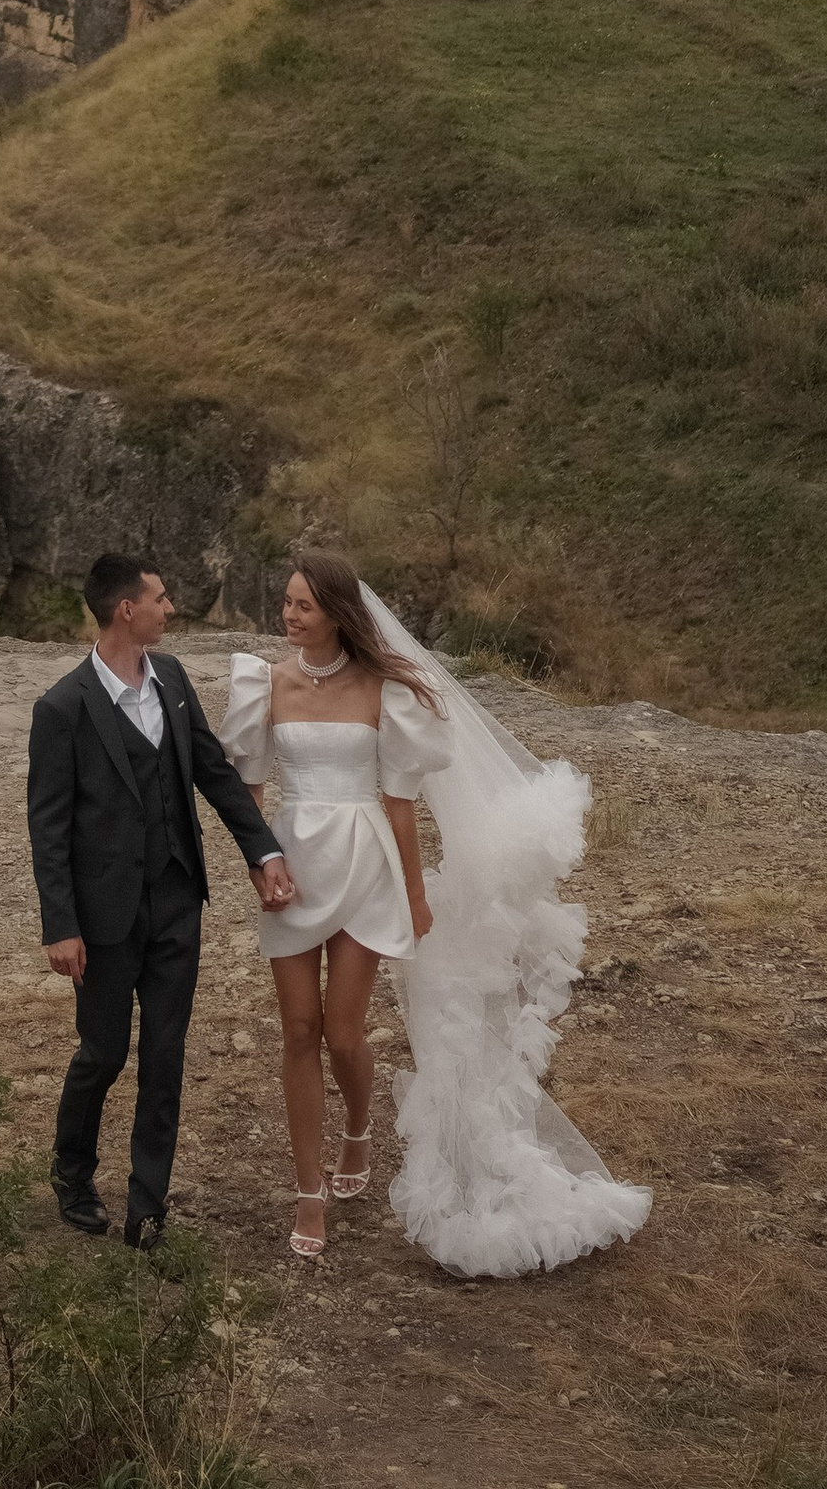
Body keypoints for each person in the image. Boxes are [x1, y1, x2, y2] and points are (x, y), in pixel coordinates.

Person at [222, 546, 651, 1277]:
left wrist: (416, 896)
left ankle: (358, 1129)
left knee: (345, 1030)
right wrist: (262, 864)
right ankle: (308, 1192)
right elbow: (250, 791)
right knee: (298, 1029)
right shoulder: (265, 685)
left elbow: (399, 805)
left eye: (302, 605)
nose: (287, 616)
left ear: (336, 613)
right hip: (292, 865)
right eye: (286, 603)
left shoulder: (381, 690)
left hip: (366, 866)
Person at [27, 552, 296, 1249]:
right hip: (105, 916)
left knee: (166, 1054)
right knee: (103, 1053)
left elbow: (211, 770)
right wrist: (61, 925)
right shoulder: (61, 707)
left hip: (178, 897)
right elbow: (48, 826)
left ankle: (148, 1207)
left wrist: (261, 850)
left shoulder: (172, 679)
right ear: (126, 609)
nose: (169, 609)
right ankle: (73, 1170)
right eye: (160, 597)